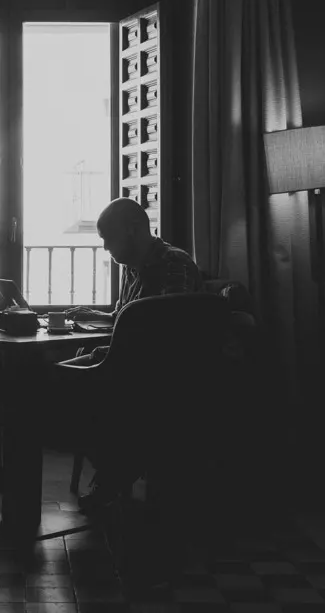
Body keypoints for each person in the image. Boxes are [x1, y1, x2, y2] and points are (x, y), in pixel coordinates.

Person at [58, 197, 202, 512]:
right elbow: (126, 317)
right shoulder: (131, 267)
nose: (105, 247)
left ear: (132, 230)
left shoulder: (172, 263)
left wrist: (109, 352)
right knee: (57, 381)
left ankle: (116, 470)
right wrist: (95, 316)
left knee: (66, 386)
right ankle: (118, 468)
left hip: (158, 369)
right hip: (127, 361)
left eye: (109, 238)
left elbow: (170, 330)